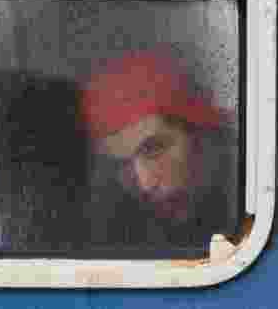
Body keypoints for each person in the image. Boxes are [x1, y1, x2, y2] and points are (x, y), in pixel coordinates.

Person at [79, 50, 235, 249]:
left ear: (200, 134)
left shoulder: (245, 198)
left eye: (153, 149)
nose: (145, 184)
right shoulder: (118, 227)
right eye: (121, 163)